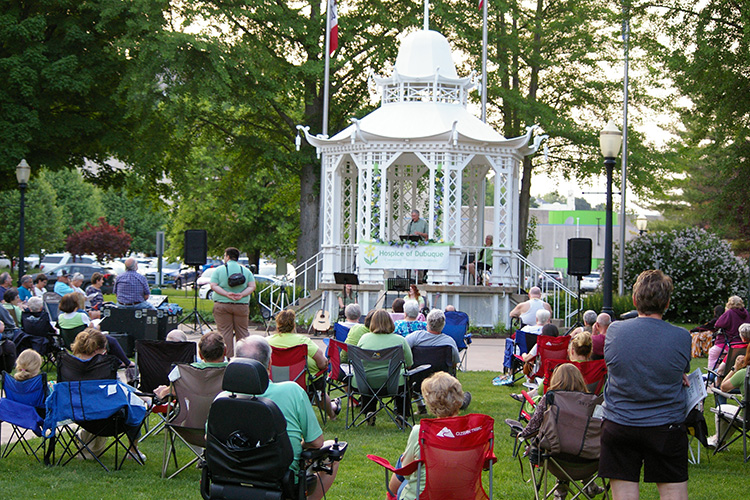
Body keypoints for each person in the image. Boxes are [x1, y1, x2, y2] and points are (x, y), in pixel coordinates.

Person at [599, 270, 691, 500]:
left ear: (634, 300)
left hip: (619, 423)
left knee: (625, 493)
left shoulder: (615, 330)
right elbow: (678, 368)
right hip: (666, 425)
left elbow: (618, 364)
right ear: (667, 303)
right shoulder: (681, 336)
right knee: (673, 493)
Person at [233, 335, 340, 500]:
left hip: (233, 479)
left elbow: (209, 439)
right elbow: (316, 442)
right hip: (281, 479)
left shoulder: (223, 398)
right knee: (333, 449)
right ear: (270, 364)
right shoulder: (292, 391)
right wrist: (297, 445)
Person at [518, 364, 605, 499]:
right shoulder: (593, 402)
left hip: (555, 458)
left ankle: (561, 495)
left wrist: (522, 434)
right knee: (575, 443)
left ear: (556, 380)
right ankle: (587, 487)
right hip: (589, 461)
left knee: (560, 443)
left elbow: (533, 427)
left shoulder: (551, 398)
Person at [69, 328, 145, 461]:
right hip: (106, 415)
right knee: (136, 405)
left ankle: (84, 438)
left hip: (77, 412)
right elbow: (119, 390)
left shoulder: (69, 364)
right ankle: (133, 451)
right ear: (98, 349)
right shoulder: (105, 366)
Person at [387, 372, 467, 500]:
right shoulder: (473, 431)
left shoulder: (421, 431)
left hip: (424, 494)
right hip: (460, 492)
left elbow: (406, 473)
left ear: (431, 403)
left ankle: (390, 497)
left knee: (402, 461)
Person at [268, 309, 340, 420]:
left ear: (277, 325)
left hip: (274, 381)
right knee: (319, 389)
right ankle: (332, 415)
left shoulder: (267, 342)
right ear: (293, 325)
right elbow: (322, 363)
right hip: (302, 383)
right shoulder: (303, 341)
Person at [356, 309, 413, 425]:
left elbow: (360, 363)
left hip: (367, 384)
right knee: (405, 377)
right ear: (390, 323)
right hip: (394, 384)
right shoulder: (400, 340)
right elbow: (409, 363)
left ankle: (369, 411)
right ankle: (402, 414)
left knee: (367, 373)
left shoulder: (364, 339)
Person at [57, 293, 132, 368]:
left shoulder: (60, 317)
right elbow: (91, 331)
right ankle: (126, 362)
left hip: (70, 345)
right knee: (111, 340)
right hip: (87, 342)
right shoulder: (81, 316)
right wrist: (97, 326)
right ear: (76, 304)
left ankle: (119, 362)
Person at [209, 247, 256, 358]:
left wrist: (226, 294)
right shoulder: (246, 270)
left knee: (225, 333)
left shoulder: (219, 270)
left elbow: (213, 285)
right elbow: (252, 286)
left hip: (222, 304)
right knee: (243, 333)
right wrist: (242, 294)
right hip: (241, 305)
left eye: (225, 256)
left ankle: (227, 358)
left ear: (228, 256)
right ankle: (244, 357)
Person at [153, 331, 228, 400]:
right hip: (224, 414)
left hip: (193, 413)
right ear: (225, 351)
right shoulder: (233, 371)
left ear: (200, 354)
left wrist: (162, 391)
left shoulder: (183, 371)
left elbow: (169, 393)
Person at [707, 341, 749, 448]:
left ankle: (718, 441)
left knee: (723, 409)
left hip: (747, 417)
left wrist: (735, 368)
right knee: (735, 413)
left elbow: (723, 387)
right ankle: (719, 440)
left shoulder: (744, 373)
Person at [710, 295, 750, 371]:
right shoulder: (746, 313)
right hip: (743, 342)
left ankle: (712, 373)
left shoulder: (730, 313)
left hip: (729, 343)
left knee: (713, 352)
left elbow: (717, 324)